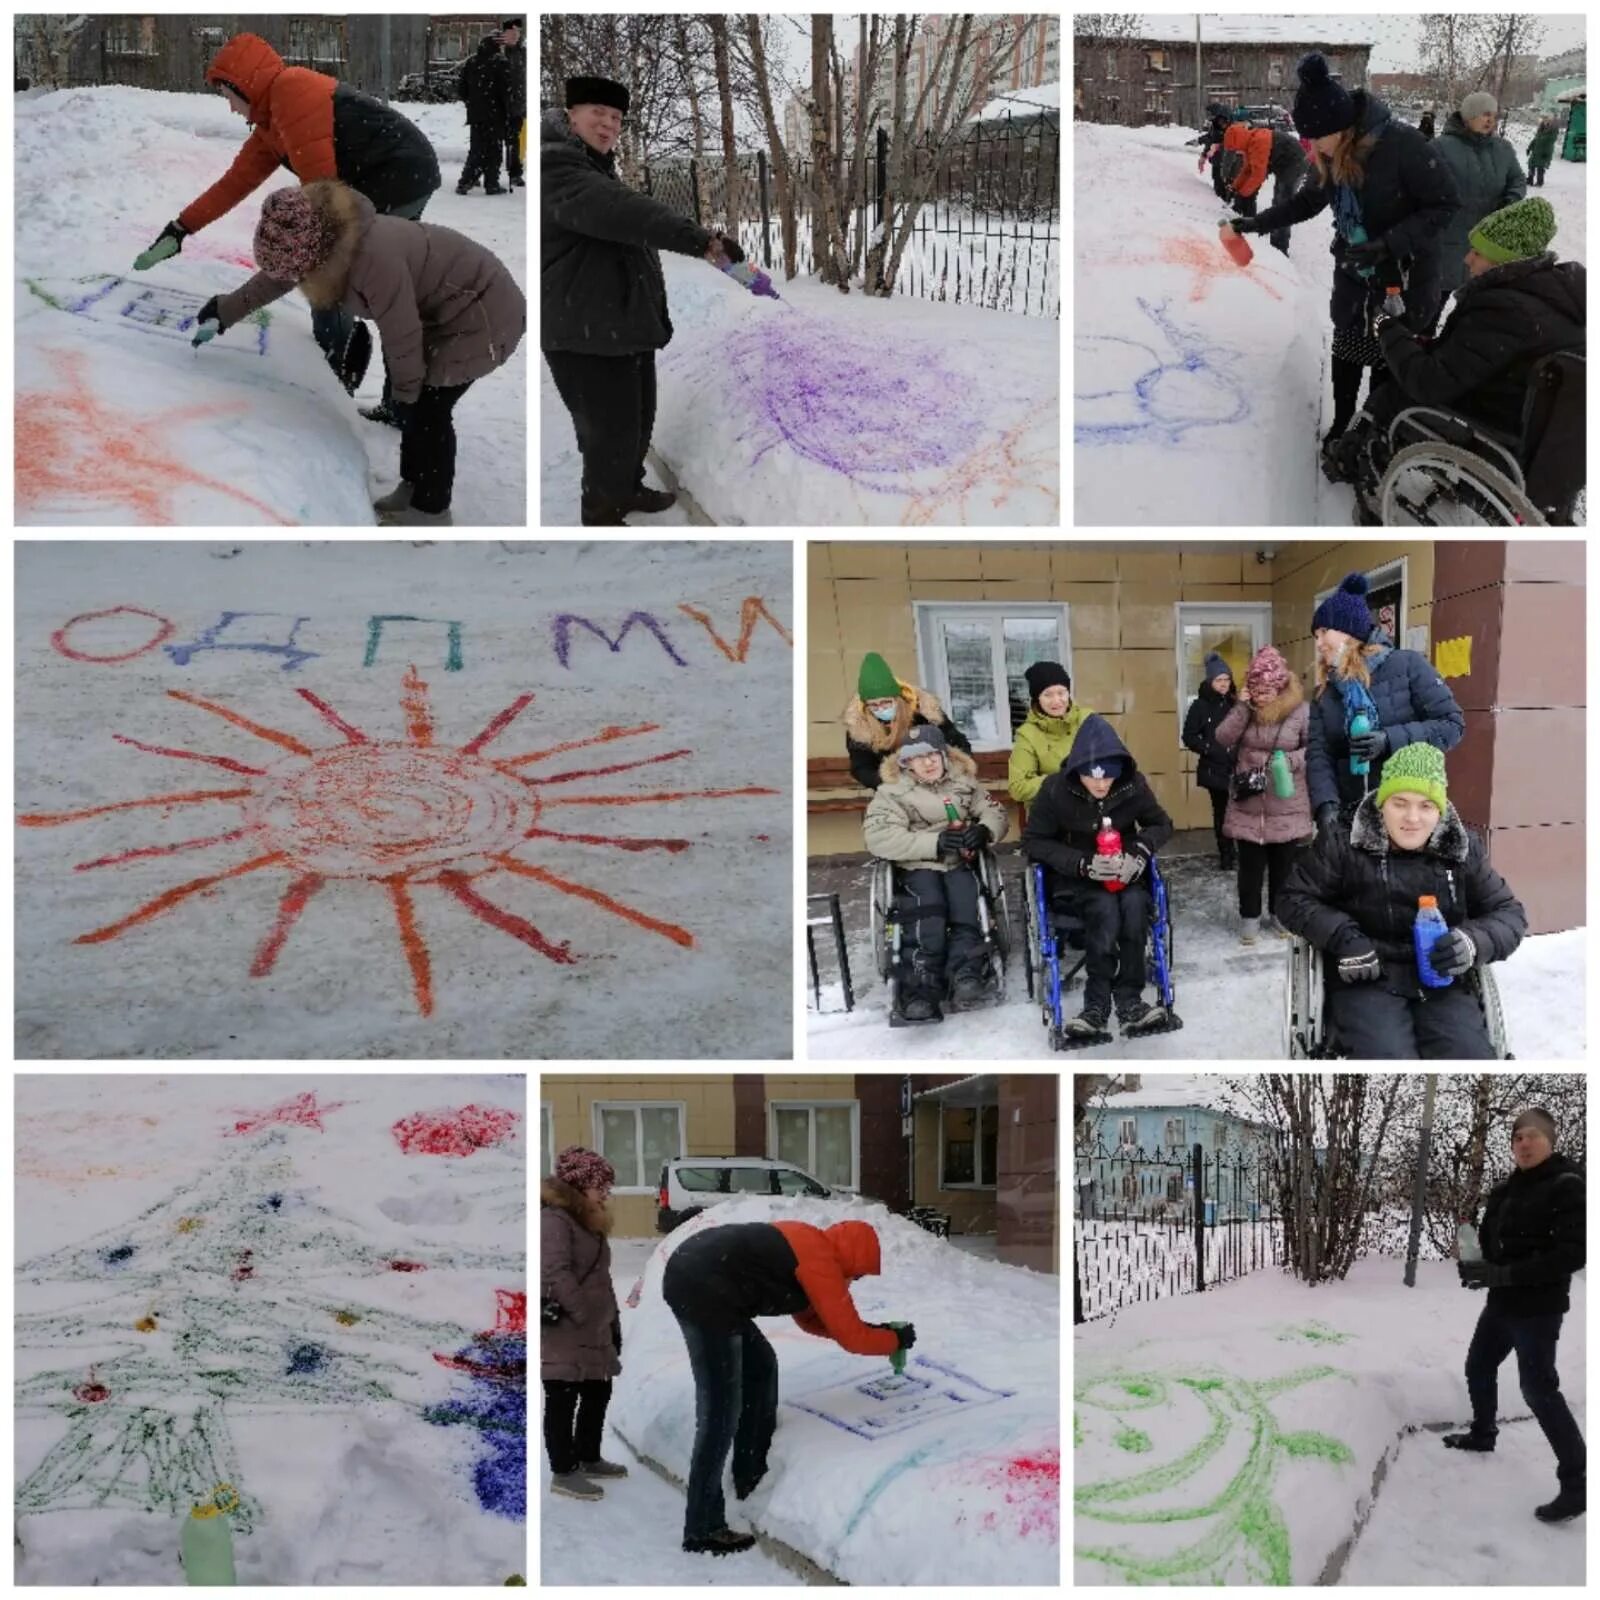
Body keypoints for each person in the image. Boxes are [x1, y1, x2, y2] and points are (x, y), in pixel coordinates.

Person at [134, 33, 441, 423]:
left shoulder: (293, 92)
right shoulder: (269, 122)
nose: (229, 108)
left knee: (334, 274)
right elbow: (234, 183)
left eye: (228, 95)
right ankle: (370, 385)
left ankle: (337, 380)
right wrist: (180, 229)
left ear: (246, 85)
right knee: (354, 277)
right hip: (384, 175)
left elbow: (323, 209)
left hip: (399, 174)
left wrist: (232, 308)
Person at [194, 180, 525, 526]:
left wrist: (406, 390)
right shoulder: (318, 240)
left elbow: (401, 331)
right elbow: (278, 276)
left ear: (311, 252)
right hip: (443, 313)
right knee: (416, 406)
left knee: (428, 409)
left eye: (295, 268)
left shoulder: (372, 259)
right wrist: (226, 309)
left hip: (483, 317)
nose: (293, 276)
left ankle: (431, 509)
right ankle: (412, 486)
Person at [1221, 53, 1459, 468]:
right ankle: (1344, 421)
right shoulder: (1329, 157)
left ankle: (1379, 430)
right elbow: (1306, 203)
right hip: (1353, 271)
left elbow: (1444, 205)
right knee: (1348, 349)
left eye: (1316, 139)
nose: (1311, 148)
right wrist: (1254, 223)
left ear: (1341, 127)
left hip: (1403, 274)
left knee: (1391, 360)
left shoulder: (1404, 147)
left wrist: (1389, 244)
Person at [543, 75, 743, 526]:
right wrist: (702, 241)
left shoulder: (593, 167)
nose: (609, 124)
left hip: (619, 326)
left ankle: (626, 488)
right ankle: (601, 513)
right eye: (598, 113)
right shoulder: (555, 168)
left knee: (634, 425)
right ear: (571, 114)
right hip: (584, 330)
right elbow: (623, 212)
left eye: (616, 118)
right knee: (606, 435)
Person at [663, 1215, 912, 1555]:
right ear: (852, 1257)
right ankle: (703, 1526)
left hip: (699, 1277)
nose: (855, 1280)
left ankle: (749, 1472)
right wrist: (894, 1339)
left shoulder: (809, 1247)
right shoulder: (820, 1260)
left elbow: (817, 1321)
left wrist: (880, 1331)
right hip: (705, 1288)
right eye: (859, 1273)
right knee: (720, 1409)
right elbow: (851, 1338)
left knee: (761, 1367)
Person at [1277, 742, 1526, 1058]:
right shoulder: (1343, 842)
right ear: (1382, 803)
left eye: (1426, 806)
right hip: (1366, 973)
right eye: (1400, 803)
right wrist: (1343, 937)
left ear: (1441, 809)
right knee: (1386, 1056)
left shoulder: (1461, 850)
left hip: (1440, 976)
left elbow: (1509, 913)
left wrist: (1472, 942)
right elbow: (1292, 898)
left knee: (1469, 1055)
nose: (1412, 818)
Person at [1328, 196, 1584, 487]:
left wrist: (1386, 327)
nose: (1467, 259)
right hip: (1533, 430)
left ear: (1505, 261)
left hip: (1493, 430)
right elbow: (1475, 359)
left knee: (1392, 394)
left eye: (1478, 252)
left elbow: (1427, 383)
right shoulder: (1555, 300)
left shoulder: (1504, 310)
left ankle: (1357, 464)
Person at [1446, 1107, 1586, 1524]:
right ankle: (1483, 1435)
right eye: (1517, 1137)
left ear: (1551, 1140)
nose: (1524, 1144)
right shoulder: (1504, 1190)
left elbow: (1573, 1253)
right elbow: (1490, 1242)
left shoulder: (1568, 1186)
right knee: (1478, 1367)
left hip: (1538, 1310)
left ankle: (1578, 1484)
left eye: (1533, 1136)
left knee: (1538, 1390)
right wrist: (1474, 1263)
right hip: (1502, 1304)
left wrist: (1504, 1273)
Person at [1022, 715, 1175, 1040]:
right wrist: (1082, 864)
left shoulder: (1133, 786)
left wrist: (1139, 853)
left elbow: (1161, 824)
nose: (1102, 784)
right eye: (1093, 777)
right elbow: (1034, 842)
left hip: (1126, 872)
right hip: (1076, 879)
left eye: (1110, 775)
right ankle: (1097, 1005)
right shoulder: (1055, 790)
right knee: (1104, 909)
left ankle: (1131, 1001)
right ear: (1078, 768)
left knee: (1135, 907)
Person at [863, 725, 1009, 1023]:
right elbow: (879, 837)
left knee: (966, 904)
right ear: (906, 763)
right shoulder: (892, 793)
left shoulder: (964, 784)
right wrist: (934, 843)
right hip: (918, 866)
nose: (928, 762)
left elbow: (996, 813)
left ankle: (965, 970)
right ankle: (919, 989)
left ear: (944, 756)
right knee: (927, 911)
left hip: (960, 863)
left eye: (933, 755)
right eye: (919, 758)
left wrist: (983, 830)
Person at [1304, 572, 1464, 833]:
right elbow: (1319, 754)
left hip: (1406, 816)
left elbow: (1452, 725)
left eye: (1323, 632)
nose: (1319, 643)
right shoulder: (1325, 691)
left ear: (1349, 631)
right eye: (1315, 636)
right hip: (1350, 818)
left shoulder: (1407, 665)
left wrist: (1388, 740)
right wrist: (1326, 805)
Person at [542, 1147, 629, 1503]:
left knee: (597, 1391)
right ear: (580, 1185)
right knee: (562, 1397)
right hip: (566, 1326)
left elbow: (600, 1277)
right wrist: (582, 1312)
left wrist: (611, 1320)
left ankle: (589, 1456)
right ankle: (564, 1471)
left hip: (594, 1327)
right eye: (600, 1185)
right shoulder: (555, 1221)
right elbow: (553, 1272)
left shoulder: (588, 1220)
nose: (606, 1192)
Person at [1214, 645, 1311, 943]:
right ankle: (1249, 918)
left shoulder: (1300, 711)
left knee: (1283, 866)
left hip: (1286, 799)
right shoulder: (1246, 710)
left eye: (1266, 691)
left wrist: (1292, 761)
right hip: (1249, 800)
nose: (1260, 697)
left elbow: (1315, 750)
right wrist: (1241, 707)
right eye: (1254, 690)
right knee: (1250, 868)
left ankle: (1280, 915)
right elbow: (1223, 737)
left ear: (1280, 689)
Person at [1434, 92, 1526, 299]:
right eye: (1485, 114)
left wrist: (1510, 201)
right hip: (1451, 239)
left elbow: (1517, 180)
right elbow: (1423, 187)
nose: (1490, 120)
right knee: (1435, 301)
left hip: (1489, 242)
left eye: (1493, 115)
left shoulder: (1503, 148)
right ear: (1468, 116)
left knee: (1481, 305)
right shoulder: (1440, 147)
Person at [843, 652, 972, 792]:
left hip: (940, 784)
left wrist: (945, 773)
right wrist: (892, 783)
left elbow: (959, 745)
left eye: (886, 702)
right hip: (896, 791)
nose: (881, 708)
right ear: (865, 706)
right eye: (874, 705)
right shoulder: (860, 729)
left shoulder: (926, 715)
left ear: (897, 699)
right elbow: (862, 768)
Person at [1217, 120, 1311, 255]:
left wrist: (1242, 194)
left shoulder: (1258, 141)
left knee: (1283, 204)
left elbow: (1258, 175)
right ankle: (1275, 239)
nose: (1235, 150)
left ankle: (1280, 248)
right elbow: (1247, 170)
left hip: (1295, 163)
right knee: (1277, 202)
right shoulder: (1249, 143)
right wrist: (1234, 187)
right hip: (1282, 165)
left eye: (1234, 147)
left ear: (1238, 140)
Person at [1180, 652, 1238, 871]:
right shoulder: (1200, 706)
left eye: (1226, 679)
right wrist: (1209, 748)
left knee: (1240, 811)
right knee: (1222, 812)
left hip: (1238, 766)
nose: (1223, 684)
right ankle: (1226, 854)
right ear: (1210, 681)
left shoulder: (1235, 703)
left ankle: (1239, 850)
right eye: (1219, 680)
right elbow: (1189, 736)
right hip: (1215, 769)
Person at [1008, 661, 1093, 807]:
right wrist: (1064, 780)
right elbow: (1018, 787)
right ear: (1037, 698)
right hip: (1052, 813)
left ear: (1068, 693)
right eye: (1047, 695)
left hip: (1093, 806)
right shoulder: (1028, 735)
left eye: (1061, 693)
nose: (1056, 701)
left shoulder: (1089, 720)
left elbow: (1118, 758)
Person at [457, 32, 510, 196]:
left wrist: (471, 102)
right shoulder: (500, 62)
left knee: (477, 148)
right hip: (495, 114)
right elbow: (506, 91)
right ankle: (490, 183)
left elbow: (461, 89)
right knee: (493, 150)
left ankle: (467, 180)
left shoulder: (471, 62)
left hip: (476, 114)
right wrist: (508, 109)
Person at [500, 20, 527, 188]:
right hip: (498, 105)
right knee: (492, 141)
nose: (516, 35)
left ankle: (515, 173)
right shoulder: (497, 51)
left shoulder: (523, 53)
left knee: (514, 141)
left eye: (518, 32)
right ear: (505, 33)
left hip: (517, 105)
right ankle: (486, 172)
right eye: (513, 32)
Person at [1526, 114, 1558, 188]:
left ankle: (1540, 182)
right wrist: (1529, 148)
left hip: (1544, 152)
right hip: (1536, 151)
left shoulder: (1553, 131)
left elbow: (1550, 144)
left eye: (1547, 120)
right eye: (1544, 120)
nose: (1545, 122)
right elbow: (1535, 140)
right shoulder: (1540, 130)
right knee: (1531, 165)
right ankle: (1530, 179)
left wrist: (1546, 153)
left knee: (1540, 167)